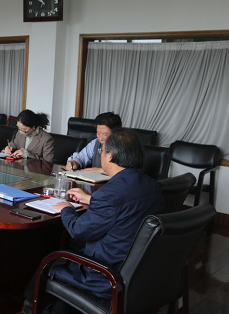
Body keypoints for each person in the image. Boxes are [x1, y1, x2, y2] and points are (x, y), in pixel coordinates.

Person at [22, 129, 164, 314]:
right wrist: (92, 199)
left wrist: (66, 208)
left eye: (102, 151)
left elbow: (78, 230)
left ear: (110, 156)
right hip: (139, 272)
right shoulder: (152, 185)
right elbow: (124, 208)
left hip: (104, 275)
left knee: (50, 261)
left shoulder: (111, 193)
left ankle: (30, 308)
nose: (101, 155)